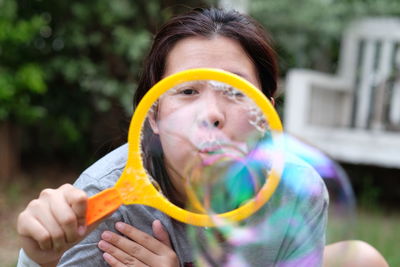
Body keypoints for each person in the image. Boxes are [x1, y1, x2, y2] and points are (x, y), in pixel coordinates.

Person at [16, 7, 387, 267]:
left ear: (265, 116)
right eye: (188, 91)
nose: (210, 115)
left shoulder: (297, 190)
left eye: (235, 91)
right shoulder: (108, 202)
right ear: (154, 116)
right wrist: (39, 259)